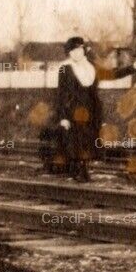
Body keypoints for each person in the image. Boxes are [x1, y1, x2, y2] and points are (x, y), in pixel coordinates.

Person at [55, 36, 103, 183]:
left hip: (92, 110)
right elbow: (61, 93)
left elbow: (112, 74)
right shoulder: (65, 68)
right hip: (74, 110)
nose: (76, 53)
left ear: (83, 50)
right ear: (69, 53)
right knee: (77, 141)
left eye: (79, 49)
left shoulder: (92, 67)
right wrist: (63, 116)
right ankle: (78, 170)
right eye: (73, 51)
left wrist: (133, 68)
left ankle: (84, 169)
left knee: (89, 140)